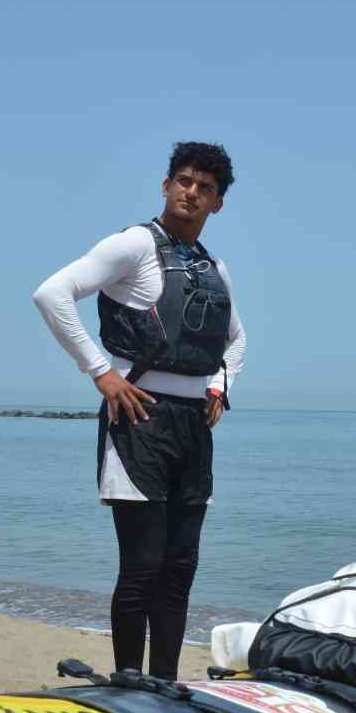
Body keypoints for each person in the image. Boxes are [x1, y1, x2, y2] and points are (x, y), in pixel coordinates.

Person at [32, 143, 247, 680]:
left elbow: (236, 340)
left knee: (180, 571)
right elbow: (52, 294)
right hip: (139, 422)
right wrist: (101, 373)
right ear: (166, 185)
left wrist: (220, 387)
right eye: (184, 180)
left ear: (217, 203)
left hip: (194, 428)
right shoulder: (133, 245)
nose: (191, 192)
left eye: (205, 188)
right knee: (142, 567)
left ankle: (165, 683)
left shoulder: (214, 267)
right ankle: (129, 680)